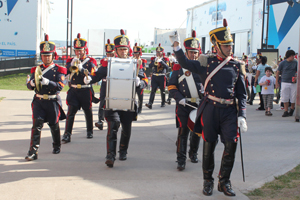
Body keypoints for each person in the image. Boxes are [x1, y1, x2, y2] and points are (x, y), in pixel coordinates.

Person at [169, 19, 248, 197]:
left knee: (231, 145)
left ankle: (224, 181)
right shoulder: (206, 63)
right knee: (209, 145)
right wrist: (176, 46)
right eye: (226, 45)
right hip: (211, 108)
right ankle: (207, 180)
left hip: (229, 111)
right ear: (216, 45)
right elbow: (185, 64)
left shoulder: (237, 65)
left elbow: (242, 94)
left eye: (230, 45)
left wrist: (242, 115)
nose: (230, 48)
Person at [84, 29, 148, 168]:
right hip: (112, 101)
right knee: (112, 127)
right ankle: (110, 155)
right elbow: (97, 75)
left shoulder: (136, 64)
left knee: (126, 129)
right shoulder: (109, 63)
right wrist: (89, 79)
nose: (123, 52)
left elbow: (145, 81)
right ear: (116, 51)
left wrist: (139, 82)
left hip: (128, 102)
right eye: (120, 50)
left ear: (128, 50)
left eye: (125, 49)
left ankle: (123, 150)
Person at [25, 34, 67, 161]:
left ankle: (56, 145)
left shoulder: (59, 69)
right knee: (36, 126)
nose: (46, 58)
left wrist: (47, 82)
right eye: (44, 55)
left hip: (52, 100)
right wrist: (31, 84)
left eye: (48, 55)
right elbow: (30, 86)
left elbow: (60, 86)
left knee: (53, 125)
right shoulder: (36, 69)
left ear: (53, 56)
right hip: (39, 101)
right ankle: (33, 151)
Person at [168, 30, 202, 171]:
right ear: (186, 53)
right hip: (183, 104)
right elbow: (171, 86)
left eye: (195, 52)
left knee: (196, 132)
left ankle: (193, 153)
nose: (193, 55)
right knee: (183, 132)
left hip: (199, 105)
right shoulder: (177, 67)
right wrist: (179, 98)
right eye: (191, 52)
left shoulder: (202, 67)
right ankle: (180, 159)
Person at [62, 33, 98, 143]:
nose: (78, 52)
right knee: (70, 112)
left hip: (85, 89)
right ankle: (67, 134)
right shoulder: (70, 61)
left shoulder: (91, 61)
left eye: (80, 50)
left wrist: (81, 69)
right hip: (73, 90)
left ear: (85, 50)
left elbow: (93, 74)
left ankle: (89, 130)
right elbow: (65, 72)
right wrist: (71, 65)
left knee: (88, 111)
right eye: (76, 50)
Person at [95, 39, 115, 130]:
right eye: (108, 53)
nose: (109, 55)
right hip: (105, 83)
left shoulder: (117, 61)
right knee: (102, 101)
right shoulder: (104, 61)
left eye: (111, 53)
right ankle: (100, 120)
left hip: (114, 84)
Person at [145, 43, 170, 109]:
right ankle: (150, 103)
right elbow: (150, 66)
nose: (158, 54)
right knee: (153, 90)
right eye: (157, 52)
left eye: (160, 52)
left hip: (162, 76)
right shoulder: (153, 58)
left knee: (162, 90)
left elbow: (167, 67)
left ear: (162, 53)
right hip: (155, 76)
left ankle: (163, 102)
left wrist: (161, 62)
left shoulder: (165, 59)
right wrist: (154, 61)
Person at [276, 50, 298, 117]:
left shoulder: (295, 62)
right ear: (288, 56)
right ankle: (286, 111)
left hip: (293, 82)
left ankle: (292, 108)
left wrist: (296, 78)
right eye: (292, 56)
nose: (293, 57)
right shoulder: (282, 63)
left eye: (293, 56)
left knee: (293, 96)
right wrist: (276, 82)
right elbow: (278, 72)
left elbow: (298, 71)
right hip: (284, 81)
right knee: (285, 96)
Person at [133, 43, 148, 113]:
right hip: (133, 79)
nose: (135, 55)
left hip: (141, 80)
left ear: (139, 54)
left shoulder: (143, 61)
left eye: (137, 54)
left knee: (140, 95)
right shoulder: (131, 61)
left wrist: (138, 63)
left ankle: (140, 107)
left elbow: (142, 71)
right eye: (134, 54)